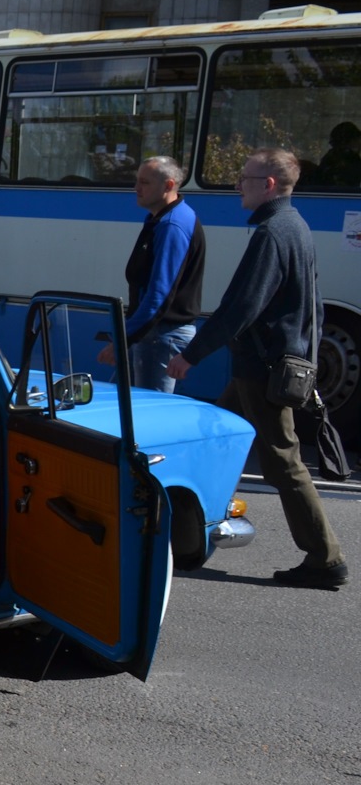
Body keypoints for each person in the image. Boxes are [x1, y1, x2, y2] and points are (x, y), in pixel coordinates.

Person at [168, 148, 345, 589]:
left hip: (262, 369)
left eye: (244, 178)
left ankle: (326, 558)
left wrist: (192, 355)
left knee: (283, 462)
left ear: (268, 185)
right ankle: (194, 530)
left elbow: (241, 307)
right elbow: (312, 305)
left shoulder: (272, 233)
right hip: (270, 363)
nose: (238, 186)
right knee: (214, 437)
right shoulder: (295, 226)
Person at [97, 156, 204, 392]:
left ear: (168, 185)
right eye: (137, 181)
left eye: (144, 182)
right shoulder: (161, 219)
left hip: (160, 335)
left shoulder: (172, 225)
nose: (136, 188)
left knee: (146, 414)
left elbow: (158, 295)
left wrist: (123, 339)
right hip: (152, 333)